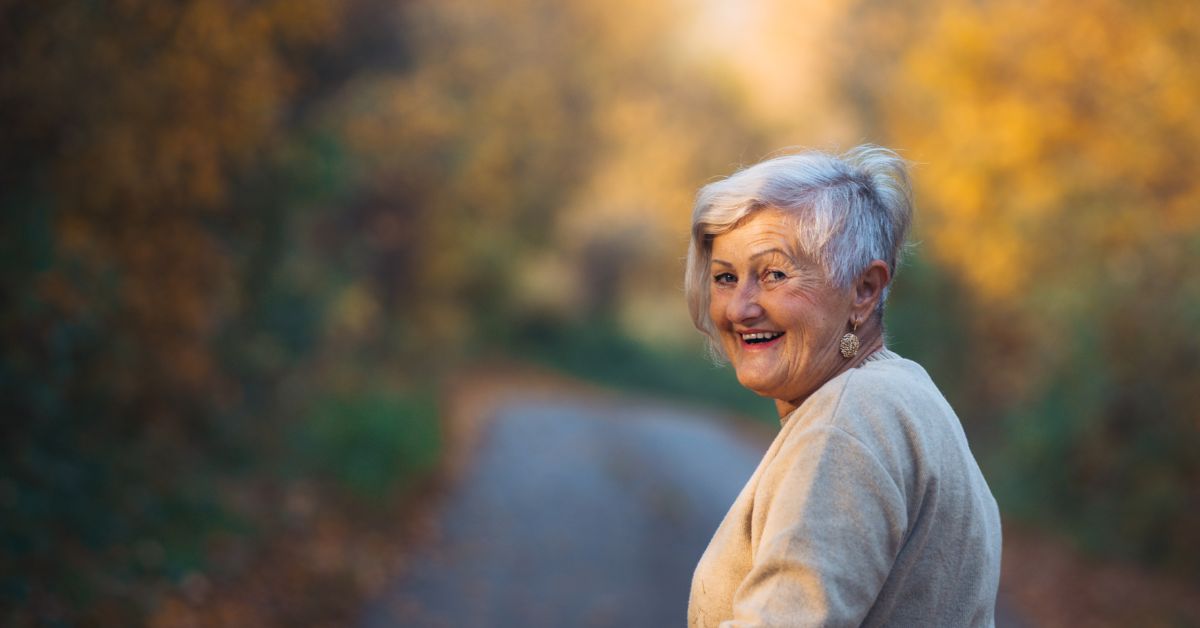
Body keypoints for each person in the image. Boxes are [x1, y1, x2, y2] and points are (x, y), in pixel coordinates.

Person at [684, 146, 1002, 627]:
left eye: (774, 274)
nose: (739, 308)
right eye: (726, 277)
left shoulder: (847, 420)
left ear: (864, 290)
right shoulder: (900, 392)